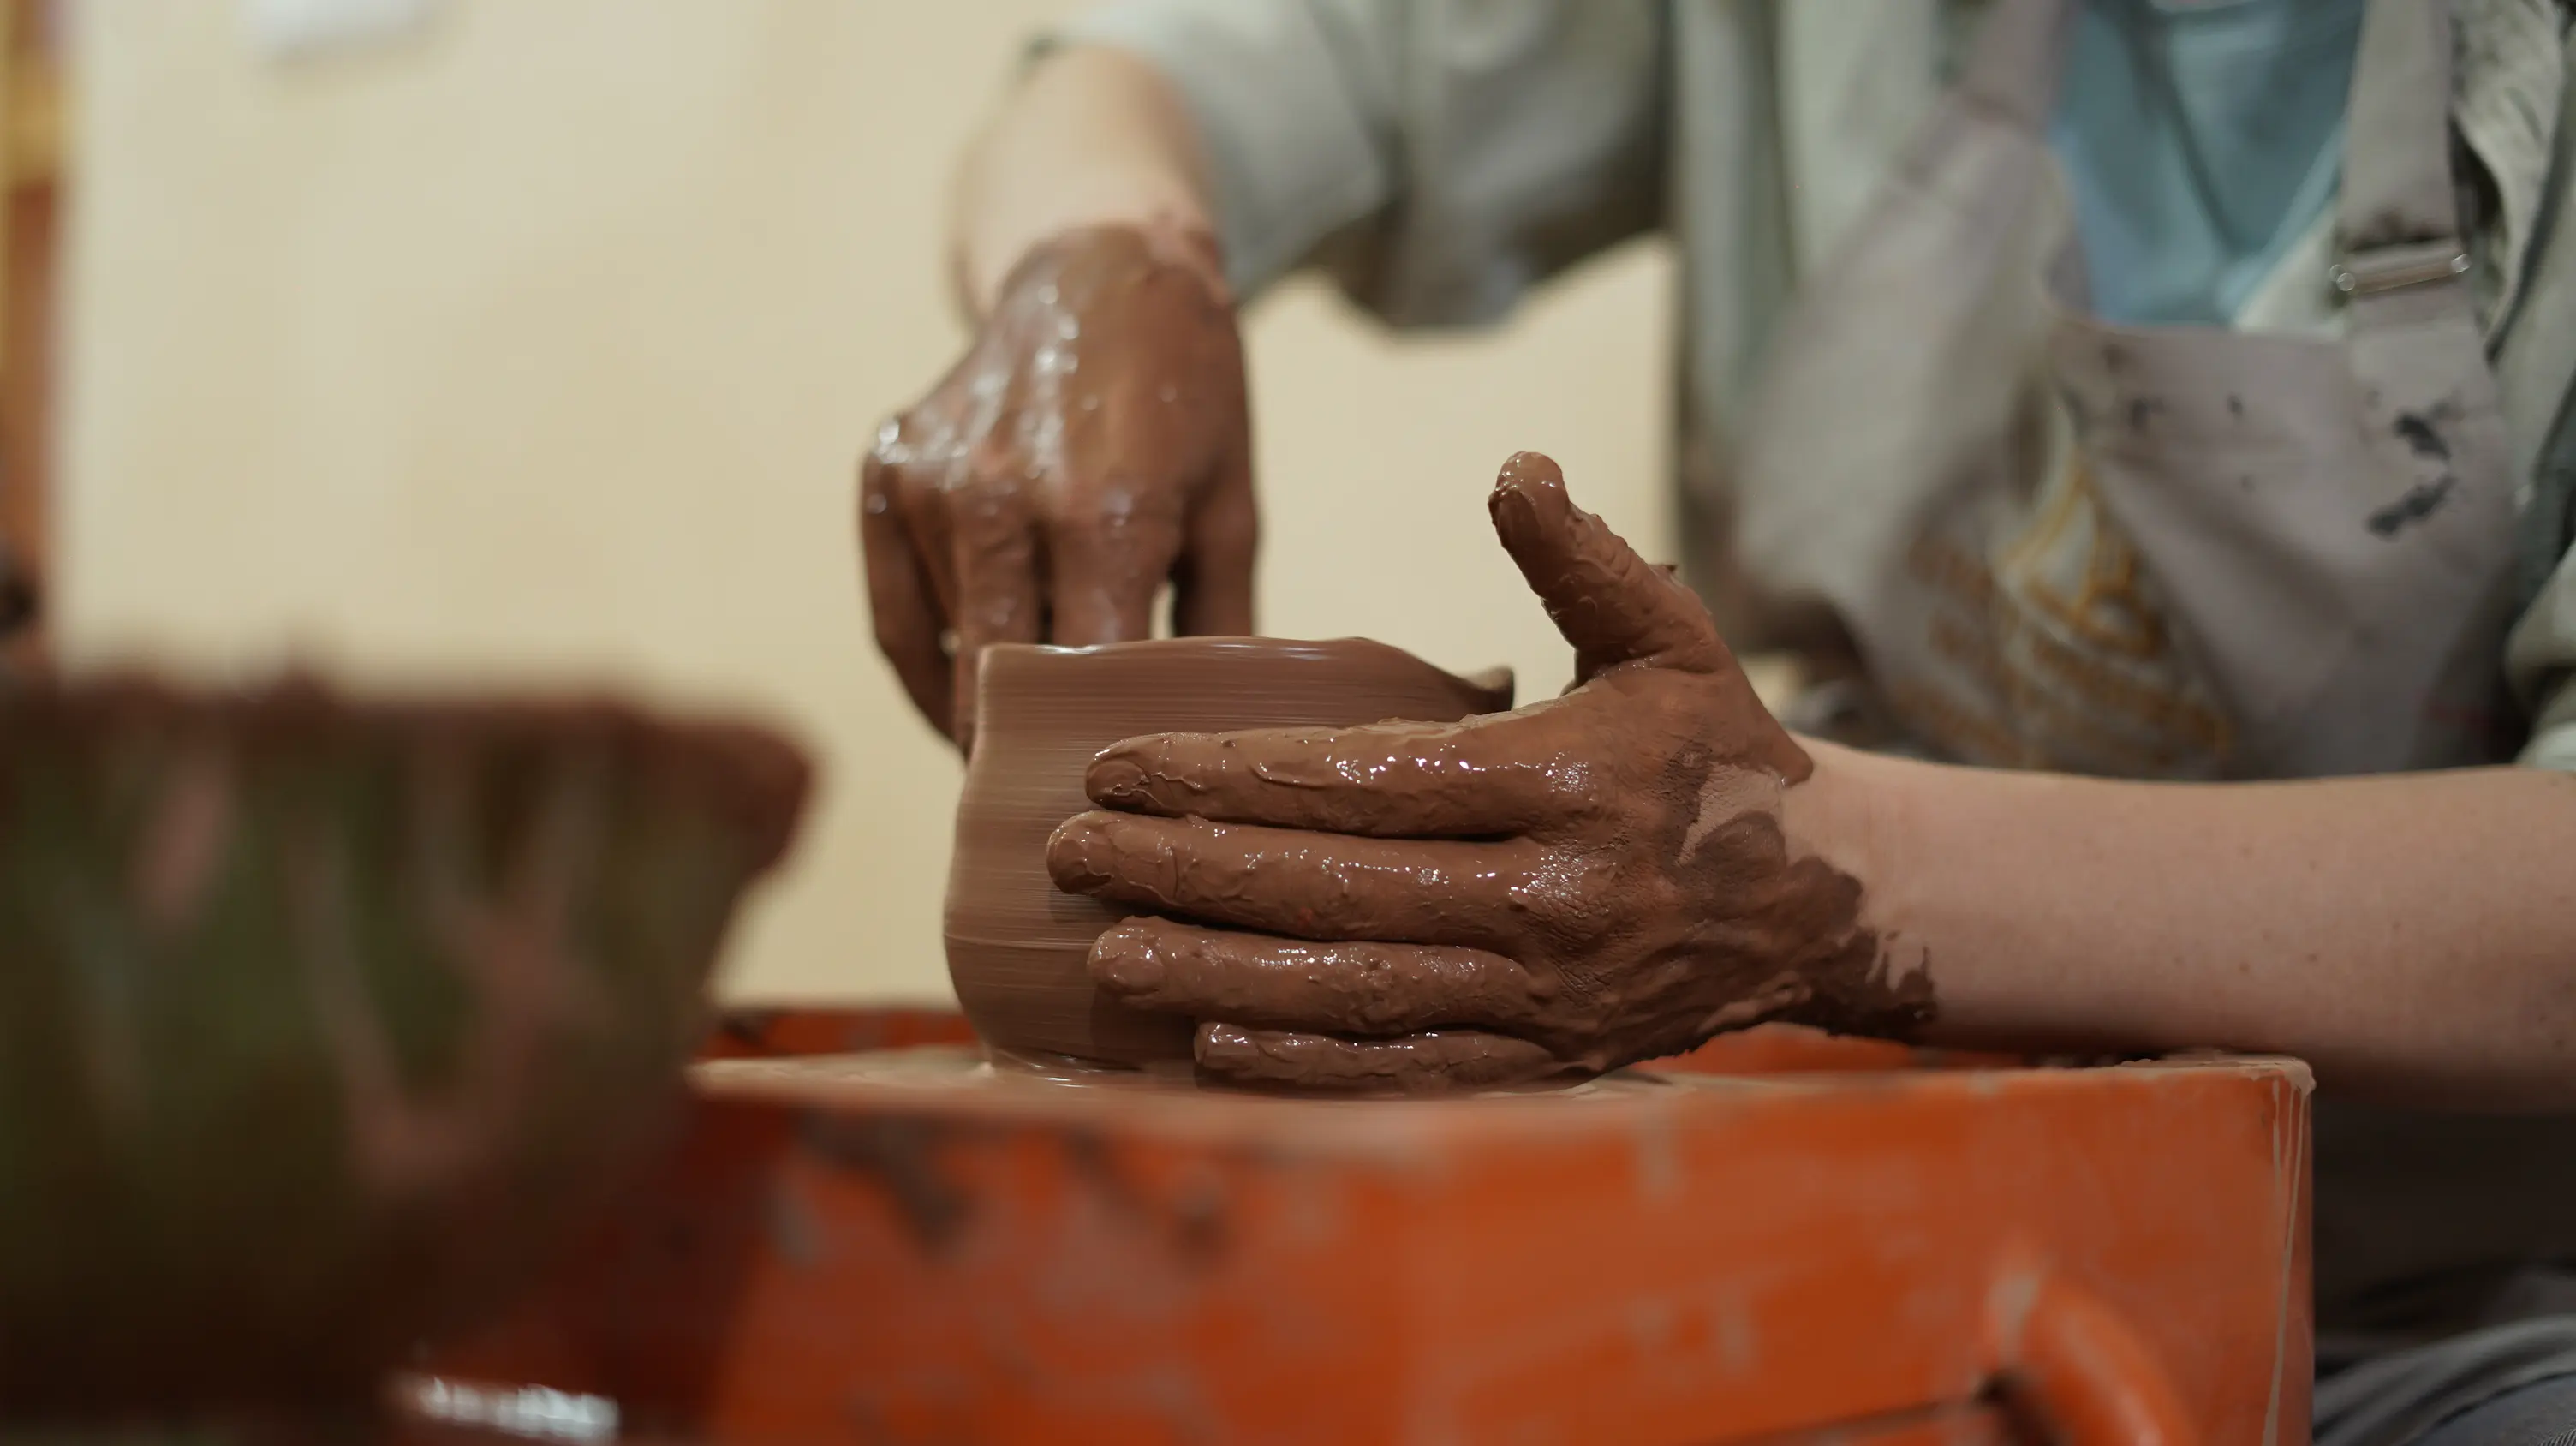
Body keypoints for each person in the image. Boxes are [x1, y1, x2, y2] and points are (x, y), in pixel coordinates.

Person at [859, 2, 2576, 1440]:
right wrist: (1106, 250)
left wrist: (1837, 872)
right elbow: (1180, 66)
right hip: (1843, 1218)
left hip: (2459, 1301)